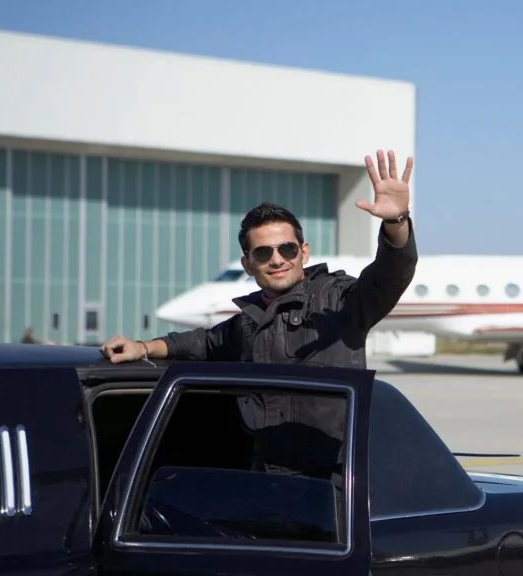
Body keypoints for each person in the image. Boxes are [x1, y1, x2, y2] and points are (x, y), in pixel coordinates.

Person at [99, 149, 418, 478]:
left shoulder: (338, 301)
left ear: (303, 252)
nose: (277, 260)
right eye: (264, 252)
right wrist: (143, 347)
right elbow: (202, 343)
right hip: (263, 477)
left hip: (329, 483)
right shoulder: (249, 321)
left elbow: (389, 276)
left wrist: (396, 222)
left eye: (287, 249)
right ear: (248, 264)